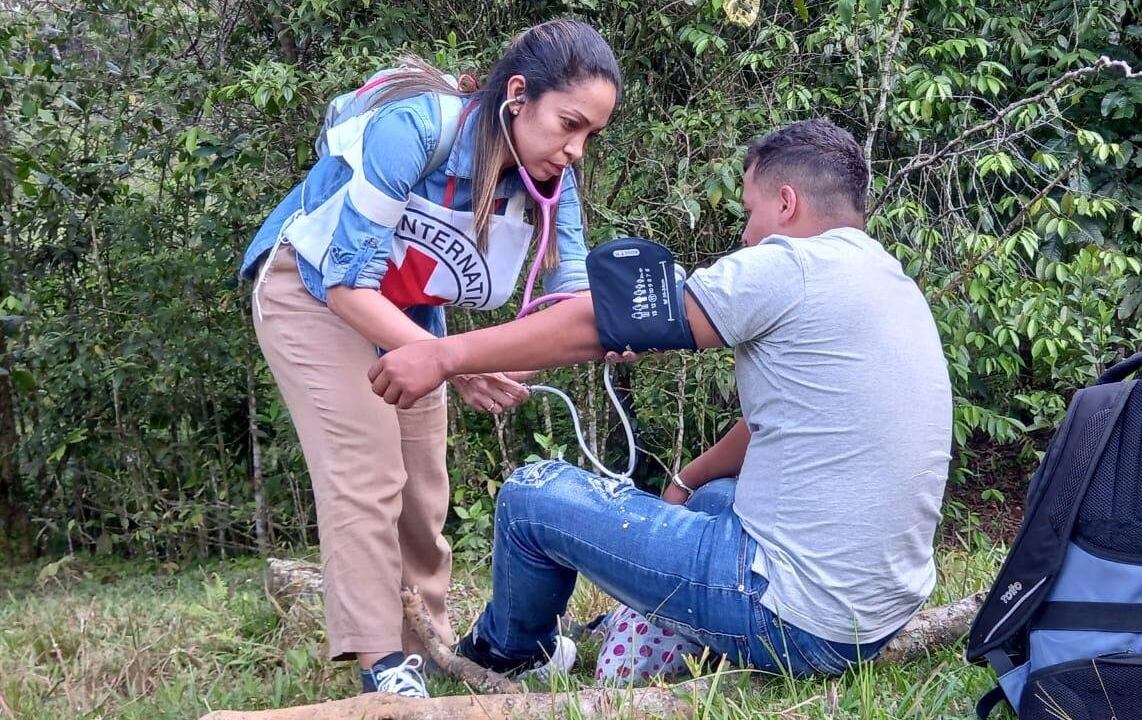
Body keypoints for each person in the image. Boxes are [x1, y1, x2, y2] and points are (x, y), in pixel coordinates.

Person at [368, 119, 954, 678]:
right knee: (712, 498)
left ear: (786, 203)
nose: (745, 235)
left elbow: (605, 322)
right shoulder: (887, 279)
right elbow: (773, 422)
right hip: (874, 615)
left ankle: (509, 652)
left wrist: (444, 356)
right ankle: (656, 621)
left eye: (749, 212)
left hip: (793, 621)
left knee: (532, 496)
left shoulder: (790, 266)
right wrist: (684, 481)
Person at [239, 20, 621, 697]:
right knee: (368, 467)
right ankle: (381, 665)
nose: (576, 150)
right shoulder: (415, 131)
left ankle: (429, 650)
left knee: (422, 489)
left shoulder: (552, 185)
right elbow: (349, 284)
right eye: (569, 124)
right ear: (518, 95)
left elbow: (573, 308)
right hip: (313, 290)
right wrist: (459, 362)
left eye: (591, 135)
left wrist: (509, 355)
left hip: (411, 312)